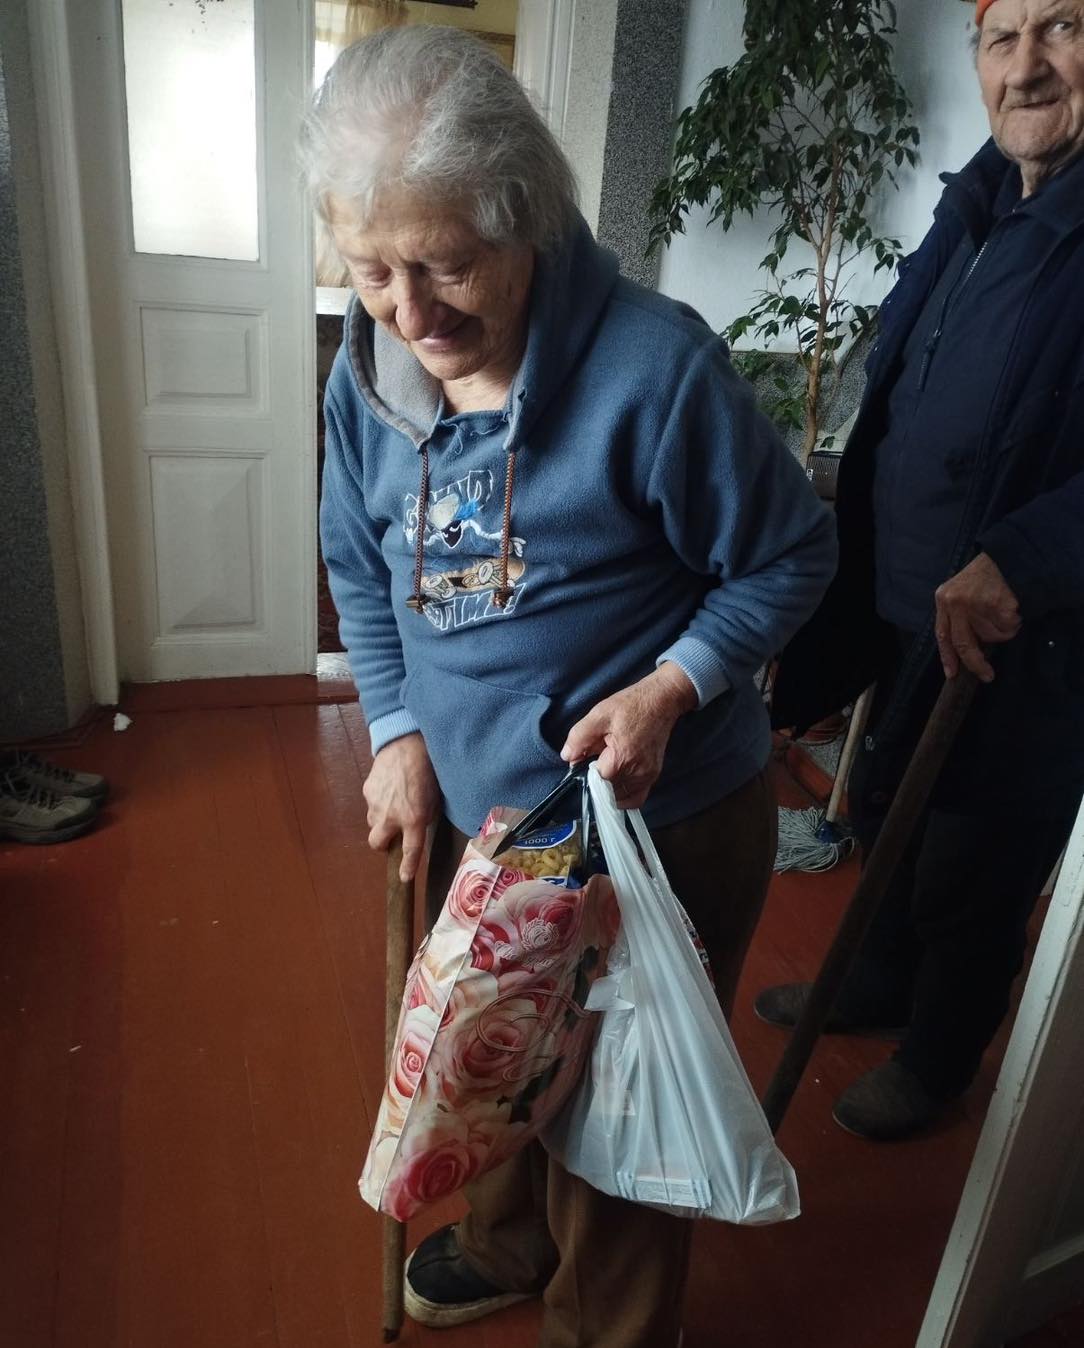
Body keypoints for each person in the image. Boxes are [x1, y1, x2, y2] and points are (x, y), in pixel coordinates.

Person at [304, 25, 836, 1348]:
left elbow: (791, 554)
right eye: (372, 270)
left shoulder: (656, 371)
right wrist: (398, 729)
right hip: (480, 812)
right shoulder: (367, 378)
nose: (410, 315)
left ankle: (603, 1325)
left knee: (618, 1114)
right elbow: (358, 563)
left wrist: (672, 687)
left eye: (446, 265)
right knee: (488, 1058)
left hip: (652, 824)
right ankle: (507, 1242)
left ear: (525, 220)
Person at [761, 0, 1084, 1142]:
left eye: (1063, 28)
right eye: (1002, 39)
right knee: (888, 801)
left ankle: (941, 1055)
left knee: (973, 858)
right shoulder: (980, 201)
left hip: (1021, 630)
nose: (1027, 67)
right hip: (905, 597)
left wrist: (1023, 556)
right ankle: (878, 977)